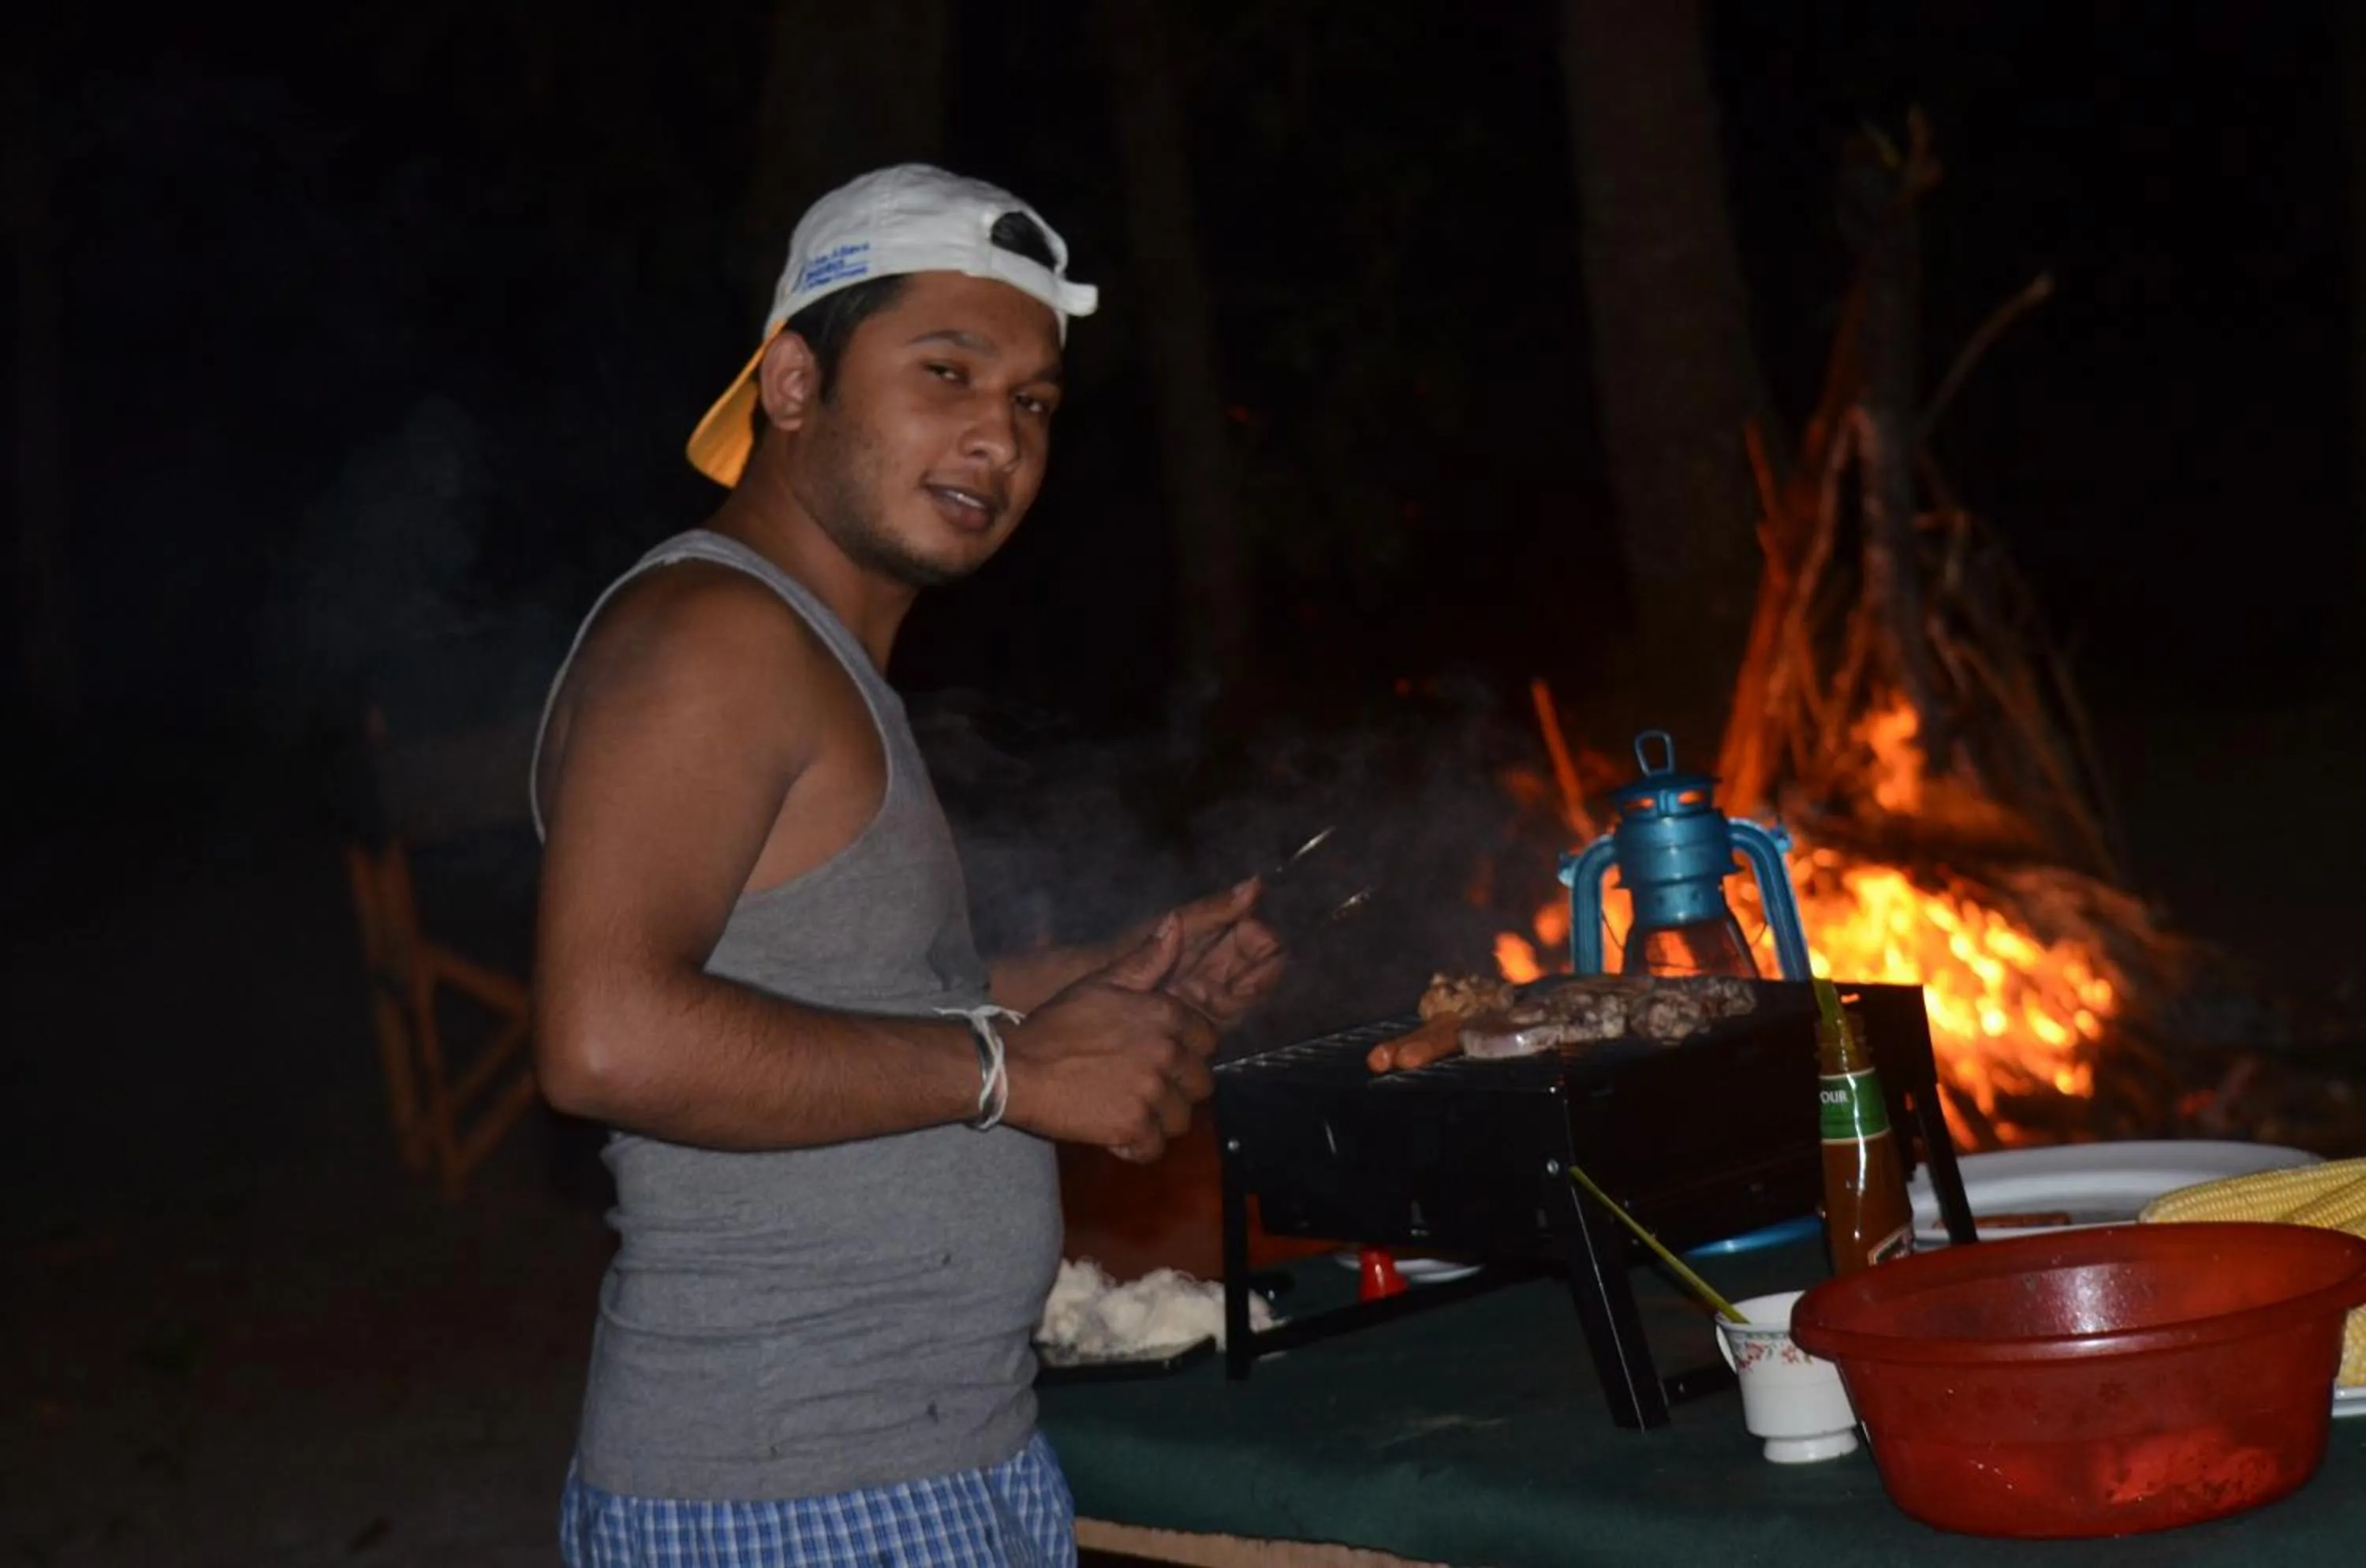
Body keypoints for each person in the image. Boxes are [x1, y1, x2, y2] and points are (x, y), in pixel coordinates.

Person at [527, 164, 1284, 1567]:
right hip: (792, 1493)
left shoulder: (812, 654)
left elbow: (827, 990)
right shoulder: (716, 639)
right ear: (796, 383)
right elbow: (606, 1037)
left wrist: (1083, 988)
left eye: (1035, 404)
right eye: (948, 370)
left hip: (921, 1463)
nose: (998, 435)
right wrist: (1016, 1068)